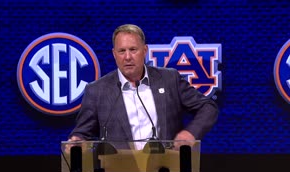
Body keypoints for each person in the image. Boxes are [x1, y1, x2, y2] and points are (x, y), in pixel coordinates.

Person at [67, 24, 218, 150]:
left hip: (167, 171)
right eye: (122, 51)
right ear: (114, 54)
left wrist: (190, 133)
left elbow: (208, 107)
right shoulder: (97, 90)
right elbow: (82, 133)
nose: (127, 57)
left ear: (144, 51)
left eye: (133, 50)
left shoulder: (169, 80)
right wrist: (77, 141)